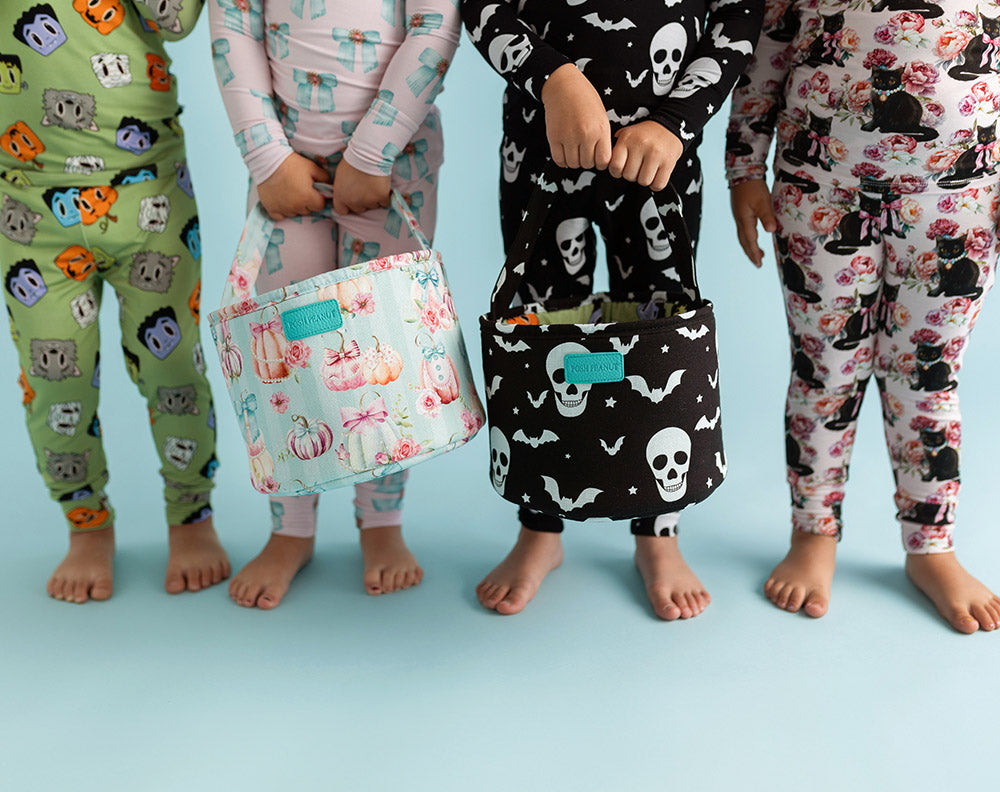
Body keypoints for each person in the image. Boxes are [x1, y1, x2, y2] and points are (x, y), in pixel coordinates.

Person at [726, 0, 1000, 633]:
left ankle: (930, 545)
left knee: (928, 377)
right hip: (818, 191)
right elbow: (767, 52)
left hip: (963, 202)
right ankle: (813, 533)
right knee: (823, 370)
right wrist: (744, 168)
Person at [462, 0, 764, 619]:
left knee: (661, 336)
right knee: (540, 334)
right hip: (542, 142)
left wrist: (676, 121)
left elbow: (737, 15)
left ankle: (659, 532)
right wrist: (553, 76)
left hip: (661, 152)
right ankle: (540, 527)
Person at [209, 0, 460, 608]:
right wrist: (268, 159)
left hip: (393, 164)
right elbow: (233, 23)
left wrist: (373, 152)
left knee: (384, 343)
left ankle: (381, 520)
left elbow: (436, 24)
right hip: (287, 169)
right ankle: (290, 529)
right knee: (288, 350)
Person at [2, 0, 229, 603]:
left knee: (173, 366)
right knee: (56, 383)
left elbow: (175, 19)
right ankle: (87, 525)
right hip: (27, 205)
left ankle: (191, 517)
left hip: (148, 186)